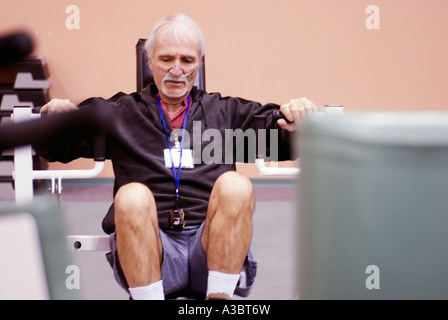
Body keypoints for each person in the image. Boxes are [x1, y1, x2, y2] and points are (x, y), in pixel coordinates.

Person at [35, 13, 317, 300]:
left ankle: (219, 300)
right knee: (131, 196)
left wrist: (298, 119)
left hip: (209, 248)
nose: (177, 69)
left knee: (236, 185)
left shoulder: (224, 113)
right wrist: (53, 118)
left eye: (187, 60)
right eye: (167, 59)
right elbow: (55, 148)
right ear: (149, 60)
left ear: (200, 62)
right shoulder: (119, 114)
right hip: (152, 248)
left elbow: (281, 139)